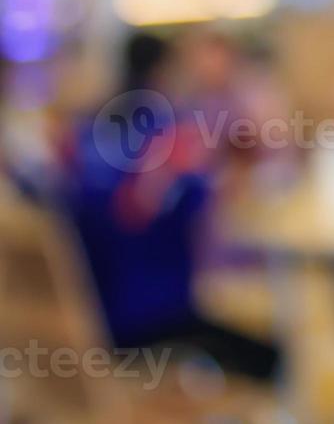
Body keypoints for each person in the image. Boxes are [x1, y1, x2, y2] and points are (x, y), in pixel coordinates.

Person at [43, 32, 281, 382]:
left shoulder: (85, 129)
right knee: (275, 359)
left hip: (93, 322)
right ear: (162, 70)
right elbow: (202, 201)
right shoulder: (167, 132)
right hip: (152, 321)